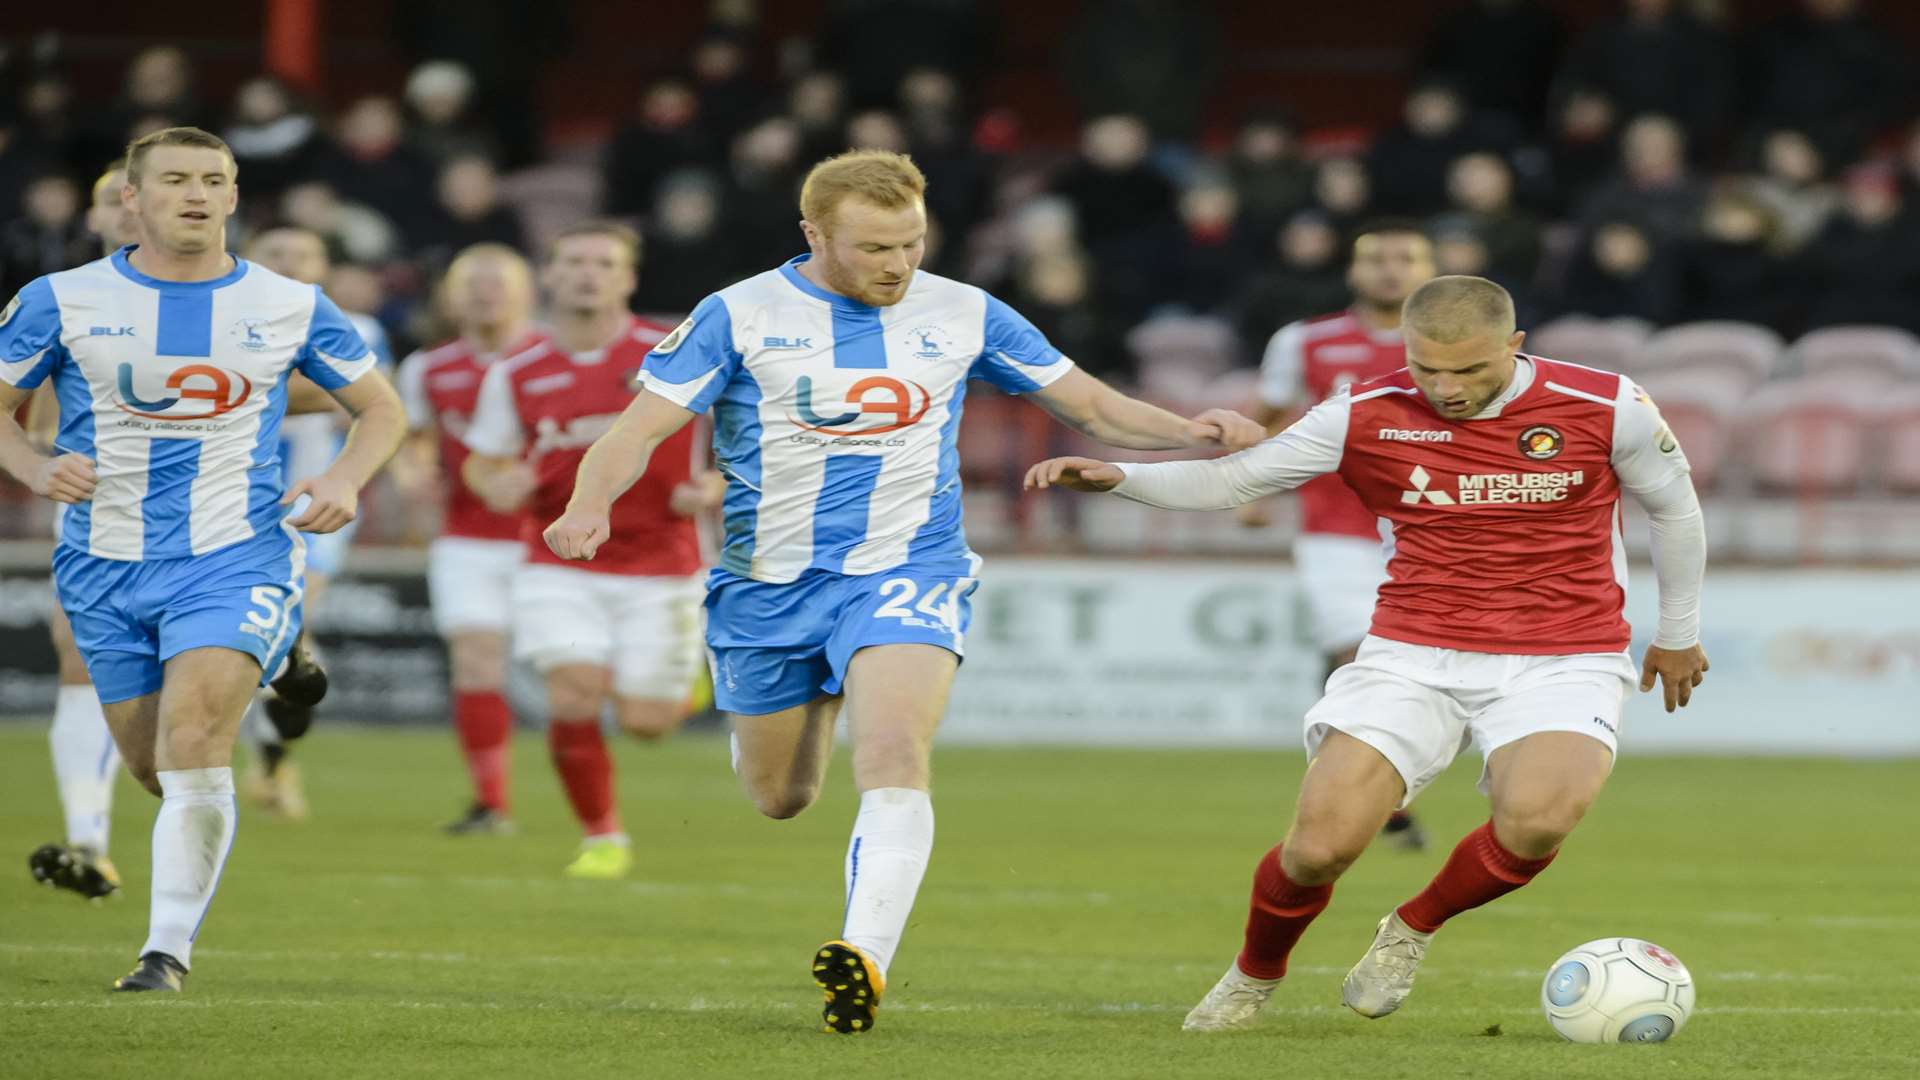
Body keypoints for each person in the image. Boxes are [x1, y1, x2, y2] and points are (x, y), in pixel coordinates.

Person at [542, 150, 1264, 1034]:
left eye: (912, 244)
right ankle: (796, 701)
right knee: (781, 796)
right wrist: (588, 505)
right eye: (875, 246)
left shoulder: (964, 310)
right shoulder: (737, 314)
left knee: (891, 752)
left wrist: (1191, 429)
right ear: (815, 235)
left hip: (906, 571)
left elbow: (1094, 406)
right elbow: (638, 429)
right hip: (767, 585)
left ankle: (865, 959)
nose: (898, 264)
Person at [1025, 275, 1709, 1032]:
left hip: (1564, 653)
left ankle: (1411, 928)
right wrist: (1120, 478)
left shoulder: (1607, 404)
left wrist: (1677, 631)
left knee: (1538, 822)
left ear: (1515, 348)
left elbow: (1673, 507)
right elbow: (1236, 481)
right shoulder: (1365, 413)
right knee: (1319, 849)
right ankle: (1253, 975)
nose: (1446, 387)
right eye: (1427, 368)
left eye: (1470, 370)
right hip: (1413, 650)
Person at [0, 127, 406, 992]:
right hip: (102, 564)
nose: (195, 193)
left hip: (233, 554)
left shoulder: (289, 302)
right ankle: (284, 652)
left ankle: (164, 954)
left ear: (232, 199)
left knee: (194, 749)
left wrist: (343, 477)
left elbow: (380, 409)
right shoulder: (59, 299)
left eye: (212, 180)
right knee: (153, 767)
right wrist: (34, 465)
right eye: (174, 179)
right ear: (131, 201)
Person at [461, 222, 719, 876]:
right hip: (559, 560)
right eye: (574, 262)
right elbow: (482, 464)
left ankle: (686, 682)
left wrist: (715, 483)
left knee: (647, 723)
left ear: (628, 278)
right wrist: (499, 484)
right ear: (549, 276)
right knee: (574, 693)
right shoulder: (517, 372)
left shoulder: (672, 351)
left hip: (664, 563)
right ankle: (603, 836)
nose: (587, 274)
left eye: (604, 263)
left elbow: (748, 441)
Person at [1241, 220, 1439, 852]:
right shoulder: (1305, 341)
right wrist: (1251, 486)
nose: (1390, 268)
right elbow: (1269, 417)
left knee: (1413, 665)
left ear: (1428, 269)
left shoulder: (1453, 345)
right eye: (1377, 257)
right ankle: (1373, 798)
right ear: (1353, 271)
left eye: (1405, 257)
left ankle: (1375, 783)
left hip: (1429, 525)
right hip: (1335, 523)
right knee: (1357, 653)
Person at [234, 225, 395, 820]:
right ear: (252, 259)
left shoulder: (357, 330)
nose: (291, 264)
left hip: (312, 509)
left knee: (284, 629)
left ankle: (274, 758)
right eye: (277, 253)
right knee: (257, 634)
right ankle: (269, 758)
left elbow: (359, 402)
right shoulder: (223, 323)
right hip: (226, 505)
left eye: (305, 255)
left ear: (324, 266)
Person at [394, 243, 544, 834]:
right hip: (469, 539)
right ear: (451, 297)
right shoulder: (426, 368)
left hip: (555, 540)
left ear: (527, 292)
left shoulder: (553, 357)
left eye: (498, 282)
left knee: (581, 674)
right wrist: (412, 473)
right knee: (477, 660)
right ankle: (491, 802)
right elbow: (415, 441)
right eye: (472, 282)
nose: (485, 293)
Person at [24, 165, 142, 901]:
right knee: (78, 657)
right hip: (96, 515)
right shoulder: (61, 304)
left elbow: (329, 396)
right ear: (93, 218)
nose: (132, 209)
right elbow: (31, 421)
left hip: (221, 514)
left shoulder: (241, 299)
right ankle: (90, 840)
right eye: (114, 198)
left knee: (204, 688)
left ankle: (278, 673)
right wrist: (43, 464)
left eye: (145, 192)